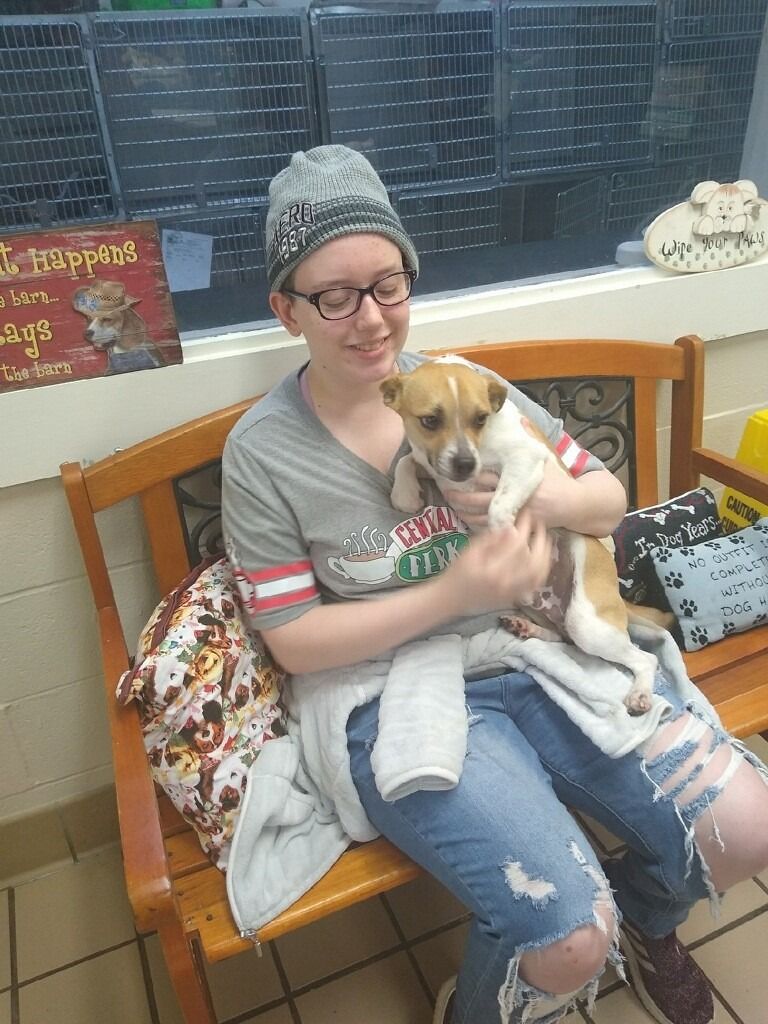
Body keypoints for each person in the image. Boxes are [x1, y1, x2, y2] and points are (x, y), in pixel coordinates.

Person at [222, 145, 768, 1024]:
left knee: (747, 826)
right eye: (334, 295)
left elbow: (608, 500)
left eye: (389, 284)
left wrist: (541, 495)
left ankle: (651, 917)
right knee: (563, 928)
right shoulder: (264, 453)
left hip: (533, 647)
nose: (370, 319)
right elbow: (290, 641)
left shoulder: (468, 389)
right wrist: (451, 591)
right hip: (395, 685)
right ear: (287, 309)